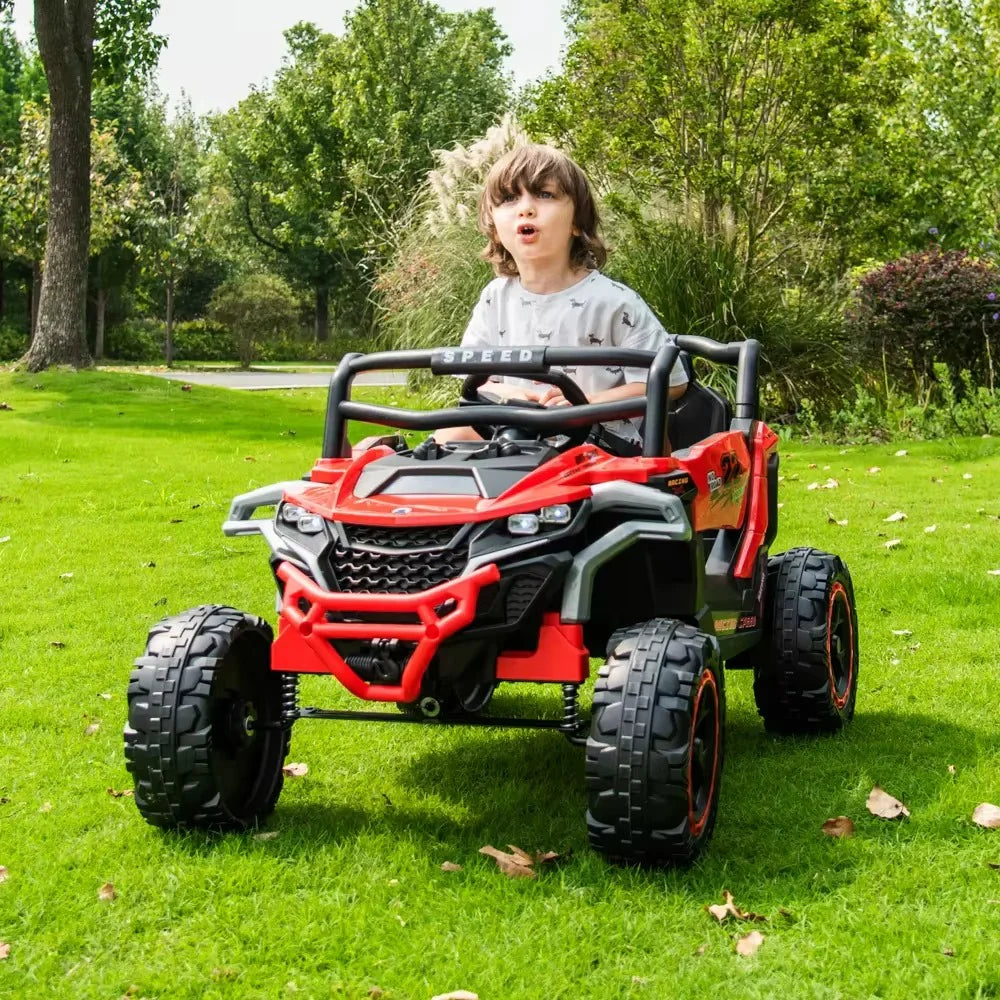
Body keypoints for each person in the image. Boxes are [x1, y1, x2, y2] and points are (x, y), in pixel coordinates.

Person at [435, 143, 687, 449]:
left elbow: (672, 382)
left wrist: (585, 402)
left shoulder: (614, 302)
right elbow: (476, 382)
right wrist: (512, 394)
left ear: (578, 222)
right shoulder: (495, 299)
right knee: (448, 435)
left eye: (544, 194)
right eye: (510, 198)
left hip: (596, 446)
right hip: (515, 437)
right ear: (494, 227)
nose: (525, 208)